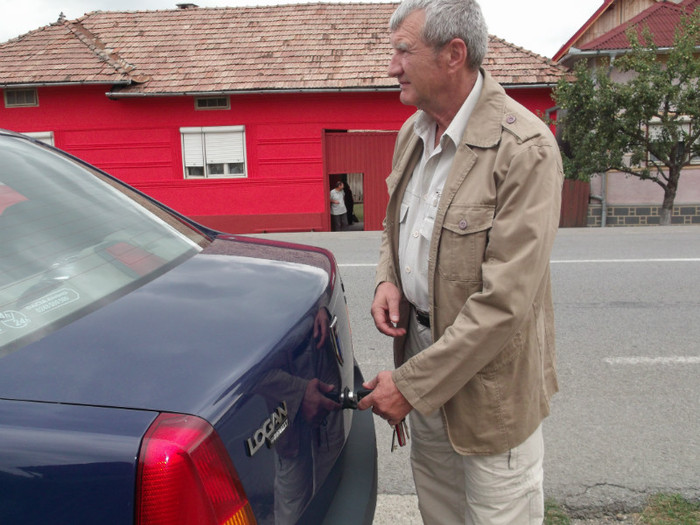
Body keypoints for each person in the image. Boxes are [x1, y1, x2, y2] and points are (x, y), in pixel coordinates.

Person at [356, 1, 563, 523]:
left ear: (454, 54)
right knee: (440, 513)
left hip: (490, 388)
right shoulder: (412, 133)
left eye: (403, 51)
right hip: (422, 354)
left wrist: (409, 385)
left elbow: (503, 304)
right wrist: (388, 276)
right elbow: (394, 223)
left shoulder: (526, 148)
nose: (391, 66)